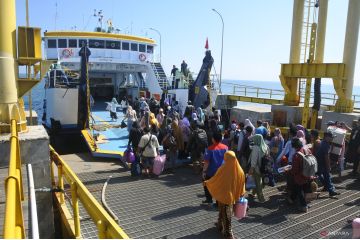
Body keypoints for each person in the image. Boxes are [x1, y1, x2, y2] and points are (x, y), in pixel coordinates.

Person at [205, 151, 246, 239]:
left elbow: (215, 179)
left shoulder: (222, 169)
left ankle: (228, 234)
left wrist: (207, 182)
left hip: (222, 196)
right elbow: (242, 184)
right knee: (226, 213)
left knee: (226, 214)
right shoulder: (240, 171)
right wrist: (241, 194)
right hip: (231, 197)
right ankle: (220, 225)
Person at [202, 131, 228, 205]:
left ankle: (209, 199)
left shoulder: (210, 149)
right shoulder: (225, 147)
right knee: (219, 186)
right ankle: (218, 202)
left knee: (206, 183)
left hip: (211, 171)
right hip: (222, 171)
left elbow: (206, 162)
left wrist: (204, 172)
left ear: (213, 139)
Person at [287, 137, 312, 213]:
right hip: (308, 173)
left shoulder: (297, 155)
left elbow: (295, 169)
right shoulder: (307, 150)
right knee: (301, 188)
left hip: (300, 176)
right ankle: (291, 199)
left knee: (299, 189)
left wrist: (289, 170)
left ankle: (304, 206)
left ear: (294, 146)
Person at [315, 131, 340, 197]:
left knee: (320, 174)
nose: (332, 138)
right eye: (331, 137)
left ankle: (328, 187)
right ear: (326, 137)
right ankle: (331, 190)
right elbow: (326, 157)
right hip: (322, 163)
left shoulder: (322, 142)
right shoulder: (326, 145)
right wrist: (328, 166)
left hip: (318, 162)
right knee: (327, 175)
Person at [248, 134, 269, 203]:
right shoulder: (265, 146)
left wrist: (252, 168)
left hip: (257, 168)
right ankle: (253, 193)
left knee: (258, 183)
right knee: (258, 181)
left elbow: (254, 159)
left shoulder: (256, 148)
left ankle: (261, 198)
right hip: (264, 168)